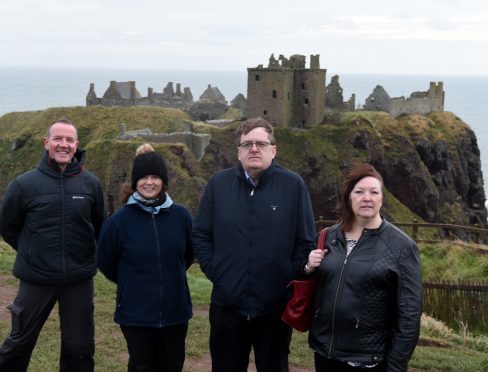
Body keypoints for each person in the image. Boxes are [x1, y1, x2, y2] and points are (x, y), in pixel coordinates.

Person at [192, 117, 316, 372]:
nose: (254, 149)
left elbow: (305, 241)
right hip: (227, 305)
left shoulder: (293, 186)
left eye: (261, 143)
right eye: (247, 144)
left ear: (273, 149)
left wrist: (286, 274)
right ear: (238, 151)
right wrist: (216, 271)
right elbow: (202, 234)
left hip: (274, 307)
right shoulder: (218, 184)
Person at [0, 118, 106, 372]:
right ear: (46, 143)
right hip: (36, 277)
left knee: (79, 348)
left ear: (77, 145)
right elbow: (7, 226)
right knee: (19, 343)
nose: (63, 144)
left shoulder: (91, 184)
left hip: (79, 279)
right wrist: (31, 250)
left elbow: (101, 226)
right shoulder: (24, 184)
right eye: (58, 138)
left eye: (69, 140)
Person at [306, 163, 422, 372]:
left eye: (373, 192)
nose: (366, 197)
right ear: (349, 197)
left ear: (381, 198)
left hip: (369, 360)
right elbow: (313, 286)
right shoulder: (328, 236)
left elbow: (409, 316)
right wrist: (308, 268)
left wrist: (396, 367)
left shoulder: (401, 247)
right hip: (325, 353)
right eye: (359, 192)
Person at [97, 146, 194, 372]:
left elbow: (188, 254)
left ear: (164, 181)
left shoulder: (182, 217)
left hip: (175, 312)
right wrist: (131, 282)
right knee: (142, 367)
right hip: (135, 313)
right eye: (143, 178)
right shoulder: (118, 222)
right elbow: (106, 261)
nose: (149, 183)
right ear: (134, 182)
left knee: (173, 365)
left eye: (155, 177)